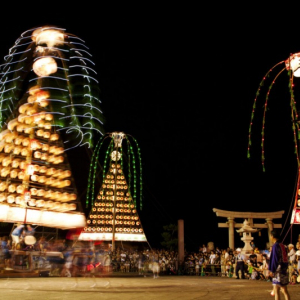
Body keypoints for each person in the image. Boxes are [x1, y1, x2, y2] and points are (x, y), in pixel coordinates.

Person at [268, 229, 290, 300]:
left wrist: (272, 270)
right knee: (283, 290)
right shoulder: (282, 245)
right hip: (283, 269)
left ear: (272, 236)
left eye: (270, 235)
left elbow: (275, 259)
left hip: (278, 270)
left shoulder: (275, 246)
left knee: (277, 290)